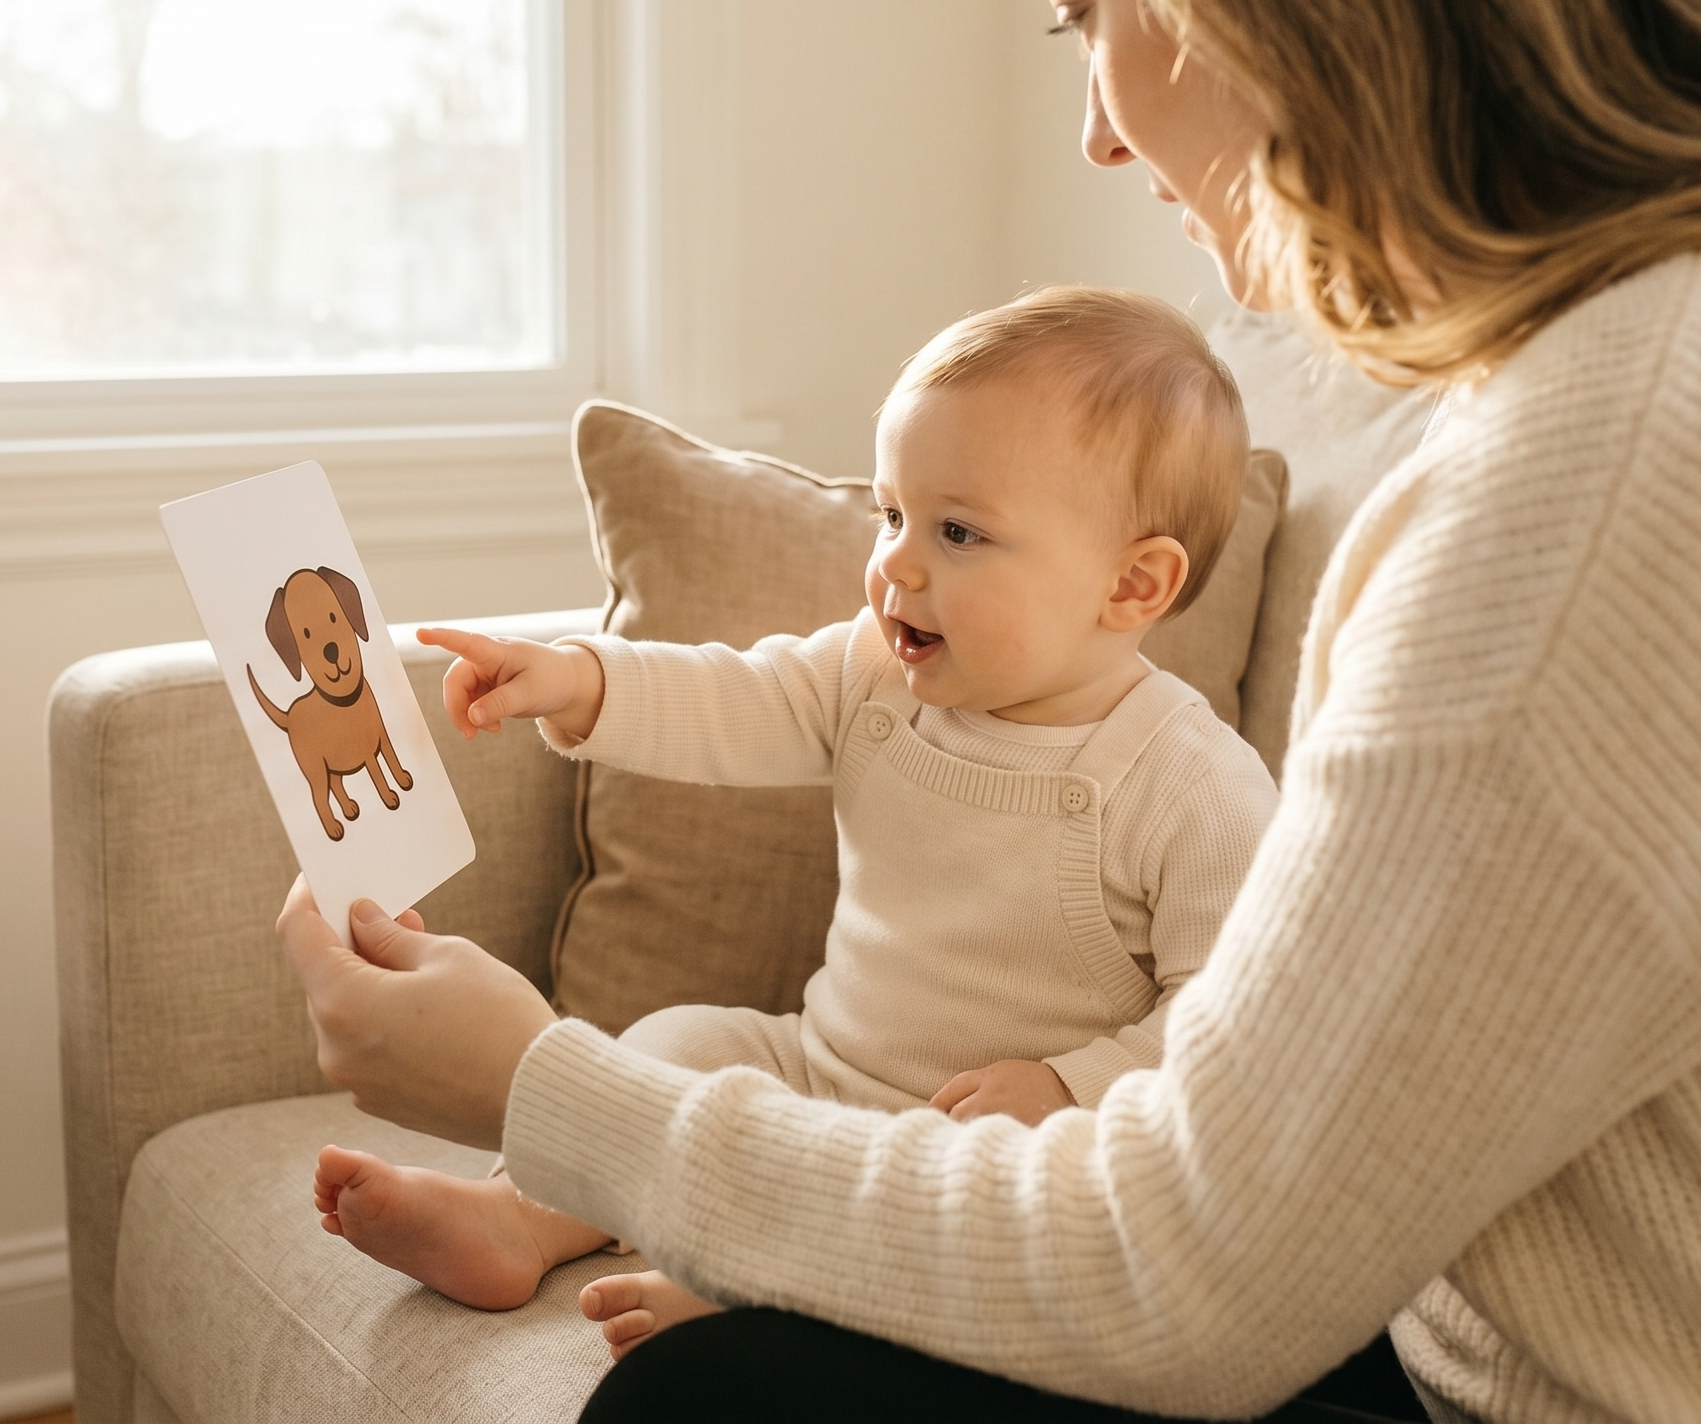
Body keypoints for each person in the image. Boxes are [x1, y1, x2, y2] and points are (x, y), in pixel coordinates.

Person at [280, 0, 1701, 1419]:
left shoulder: (1626, 457)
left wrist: (542, 1085)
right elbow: (762, 698)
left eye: (1087, 12)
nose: (1092, 126)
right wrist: (590, 708)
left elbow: (1187, 1260)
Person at [310, 287, 1280, 1354]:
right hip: (812, 1070)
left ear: (1131, 585)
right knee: (673, 1043)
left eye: (957, 532)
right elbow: (738, 696)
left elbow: (1237, 1026)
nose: (898, 565)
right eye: (892, 514)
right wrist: (579, 681)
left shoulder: (1190, 785)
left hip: (989, 1153)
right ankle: (516, 1217)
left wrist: (1070, 1086)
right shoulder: (874, 673)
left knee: (948, 1214)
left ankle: (766, 1292)